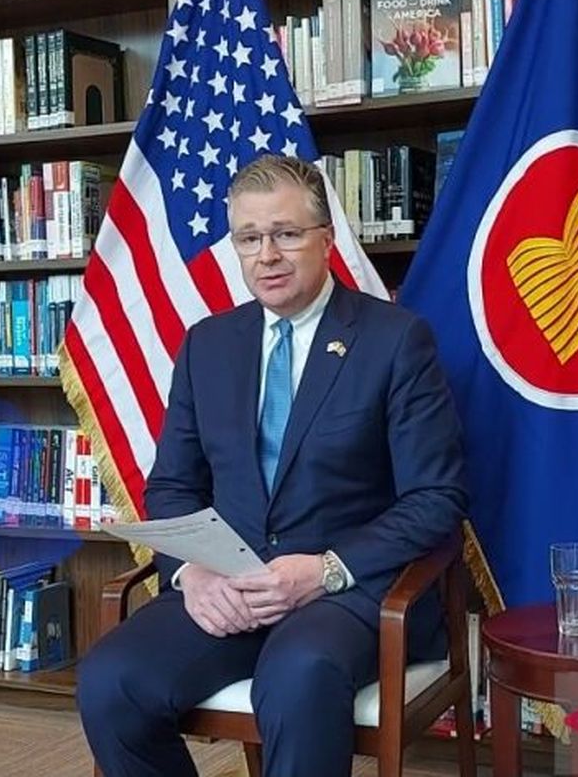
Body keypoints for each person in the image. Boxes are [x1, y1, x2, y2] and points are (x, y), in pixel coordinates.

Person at [76, 155, 468, 777]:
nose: (268, 255)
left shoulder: (395, 340)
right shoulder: (208, 344)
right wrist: (192, 576)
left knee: (297, 677)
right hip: (228, 589)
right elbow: (174, 483)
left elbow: (436, 498)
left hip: (349, 593)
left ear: (326, 240)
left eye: (287, 234)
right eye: (250, 238)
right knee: (109, 681)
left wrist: (326, 570)